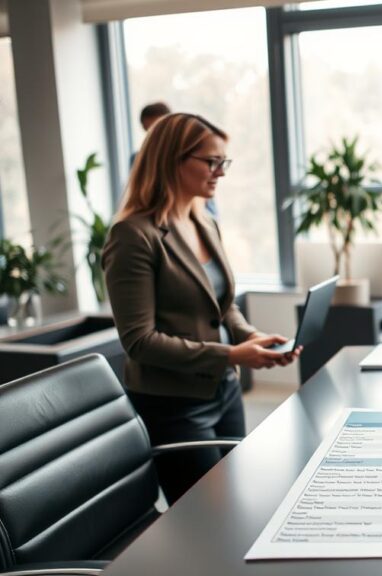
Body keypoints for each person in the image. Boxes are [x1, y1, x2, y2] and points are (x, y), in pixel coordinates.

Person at [103, 113, 298, 503]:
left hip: (223, 392)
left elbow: (220, 305)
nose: (220, 172)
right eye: (211, 162)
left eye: (223, 162)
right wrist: (231, 354)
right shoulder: (133, 236)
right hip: (174, 405)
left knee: (237, 501)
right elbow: (140, 341)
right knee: (206, 514)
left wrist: (250, 336)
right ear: (171, 160)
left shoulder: (203, 221)